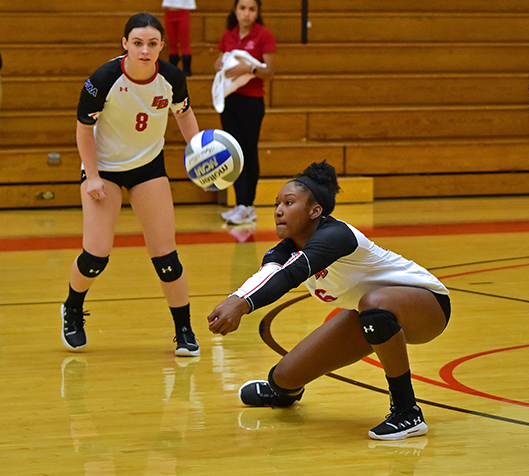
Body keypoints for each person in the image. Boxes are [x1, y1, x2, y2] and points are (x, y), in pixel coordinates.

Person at [207, 161, 451, 441]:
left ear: (315, 210)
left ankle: (407, 413)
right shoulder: (287, 248)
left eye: (288, 202)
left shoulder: (337, 236)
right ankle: (285, 393)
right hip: (371, 314)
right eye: (277, 204)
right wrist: (236, 298)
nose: (278, 211)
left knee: (374, 304)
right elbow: (268, 274)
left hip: (429, 306)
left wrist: (241, 307)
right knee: (283, 378)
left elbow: (291, 275)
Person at [61, 13, 201, 357]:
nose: (144, 50)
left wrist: (199, 151)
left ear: (161, 47)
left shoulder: (171, 78)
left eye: (152, 44)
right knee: (96, 255)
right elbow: (82, 129)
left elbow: (183, 113)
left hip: (147, 167)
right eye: (137, 43)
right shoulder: (103, 79)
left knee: (166, 255)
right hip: (104, 168)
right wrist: (92, 176)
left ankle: (183, 328)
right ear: (125, 44)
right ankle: (72, 307)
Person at [215, 0, 276, 225]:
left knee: (248, 151)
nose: (246, 13)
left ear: (257, 12)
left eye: (251, 9)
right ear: (235, 10)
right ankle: (240, 203)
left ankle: (249, 204)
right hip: (230, 100)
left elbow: (268, 71)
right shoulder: (228, 35)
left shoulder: (264, 35)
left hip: (252, 102)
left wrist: (250, 68)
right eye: (242, 8)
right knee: (233, 152)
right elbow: (219, 64)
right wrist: (219, 63)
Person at [162, 0, 196, 76]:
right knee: (171, 42)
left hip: (183, 12)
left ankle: (186, 70)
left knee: (184, 42)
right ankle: (172, 68)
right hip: (169, 13)